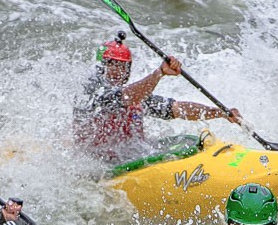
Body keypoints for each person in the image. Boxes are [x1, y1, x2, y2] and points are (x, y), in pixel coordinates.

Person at [72, 31, 242, 166]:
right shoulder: (93, 94)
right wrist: (159, 73)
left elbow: (177, 109)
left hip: (129, 156)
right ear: (102, 66)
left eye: (123, 66)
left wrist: (220, 113)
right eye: (113, 65)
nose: (119, 71)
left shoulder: (138, 96)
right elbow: (126, 97)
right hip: (97, 164)